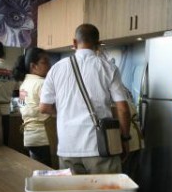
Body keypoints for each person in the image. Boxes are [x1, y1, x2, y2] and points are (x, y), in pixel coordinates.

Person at [39, 23, 131, 174]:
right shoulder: (108, 68)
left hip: (67, 148)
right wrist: (125, 139)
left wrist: (65, 111)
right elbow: (123, 108)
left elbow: (44, 107)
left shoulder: (56, 68)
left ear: (74, 42)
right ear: (99, 44)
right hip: (100, 147)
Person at [14, 47, 52, 166]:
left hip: (30, 136)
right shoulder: (42, 83)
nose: (49, 65)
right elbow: (48, 108)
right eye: (45, 62)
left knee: (38, 171)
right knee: (48, 174)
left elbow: (23, 107)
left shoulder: (24, 84)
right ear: (33, 66)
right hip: (44, 136)